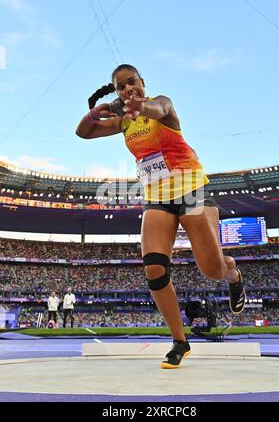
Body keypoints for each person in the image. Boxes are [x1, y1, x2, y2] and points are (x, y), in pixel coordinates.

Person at [76, 64, 246, 369]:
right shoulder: (124, 122)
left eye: (132, 83)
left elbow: (158, 107)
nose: (128, 89)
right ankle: (180, 341)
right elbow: (83, 133)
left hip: (193, 191)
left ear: (143, 83)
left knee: (212, 269)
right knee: (154, 268)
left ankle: (233, 274)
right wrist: (94, 114)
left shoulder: (161, 105)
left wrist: (141, 106)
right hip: (156, 198)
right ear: (116, 92)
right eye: (121, 87)